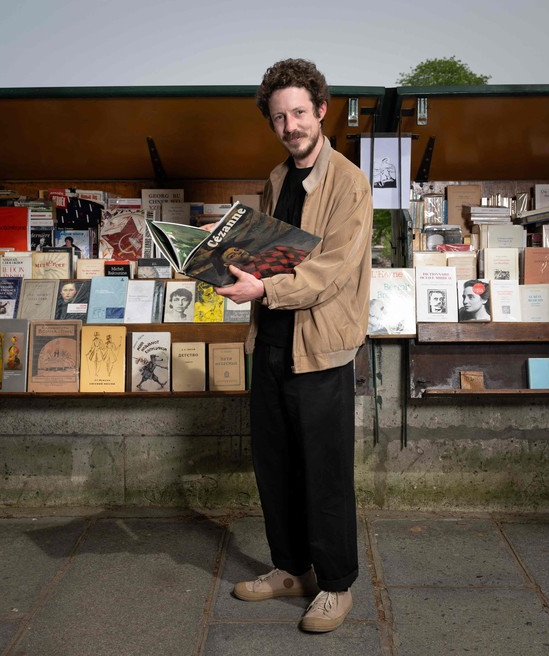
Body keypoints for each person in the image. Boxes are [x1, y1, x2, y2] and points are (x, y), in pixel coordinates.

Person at [213, 58, 372, 634]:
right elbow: (270, 251)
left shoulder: (350, 183)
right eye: (279, 117)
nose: (290, 126)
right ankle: (290, 569)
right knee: (275, 464)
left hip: (322, 348)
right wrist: (224, 268)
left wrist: (264, 286)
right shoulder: (276, 179)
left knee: (324, 471)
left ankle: (334, 585)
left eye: (300, 113)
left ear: (322, 111)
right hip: (273, 341)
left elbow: (329, 270)